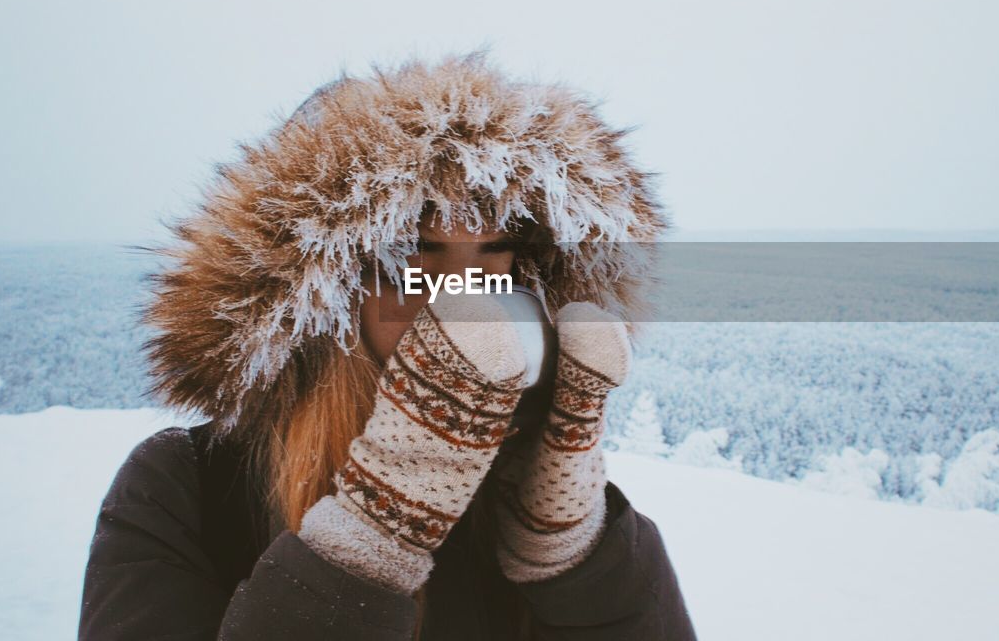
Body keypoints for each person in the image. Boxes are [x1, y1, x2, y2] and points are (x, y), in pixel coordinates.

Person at [78, 48, 697, 640]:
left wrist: (572, 555)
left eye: (493, 263)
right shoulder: (187, 488)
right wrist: (369, 540)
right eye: (413, 261)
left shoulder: (526, 483)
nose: (462, 299)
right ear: (325, 295)